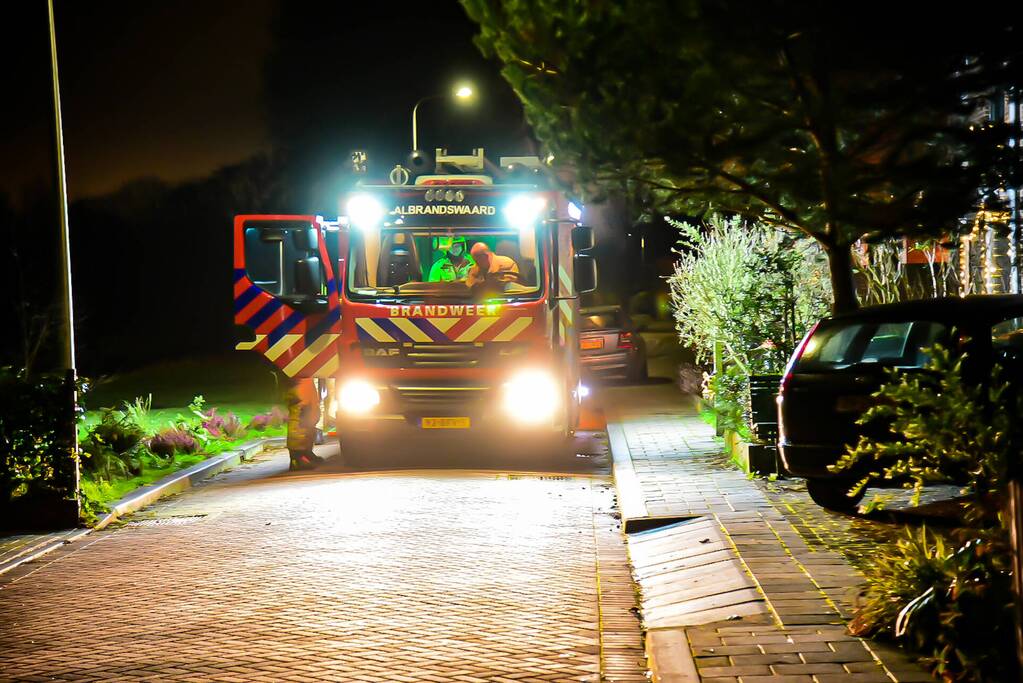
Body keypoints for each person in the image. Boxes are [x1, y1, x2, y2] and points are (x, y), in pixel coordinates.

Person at [285, 378, 325, 470]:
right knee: (301, 411)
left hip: (304, 376)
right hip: (299, 376)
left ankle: (305, 453)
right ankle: (297, 456)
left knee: (309, 411)